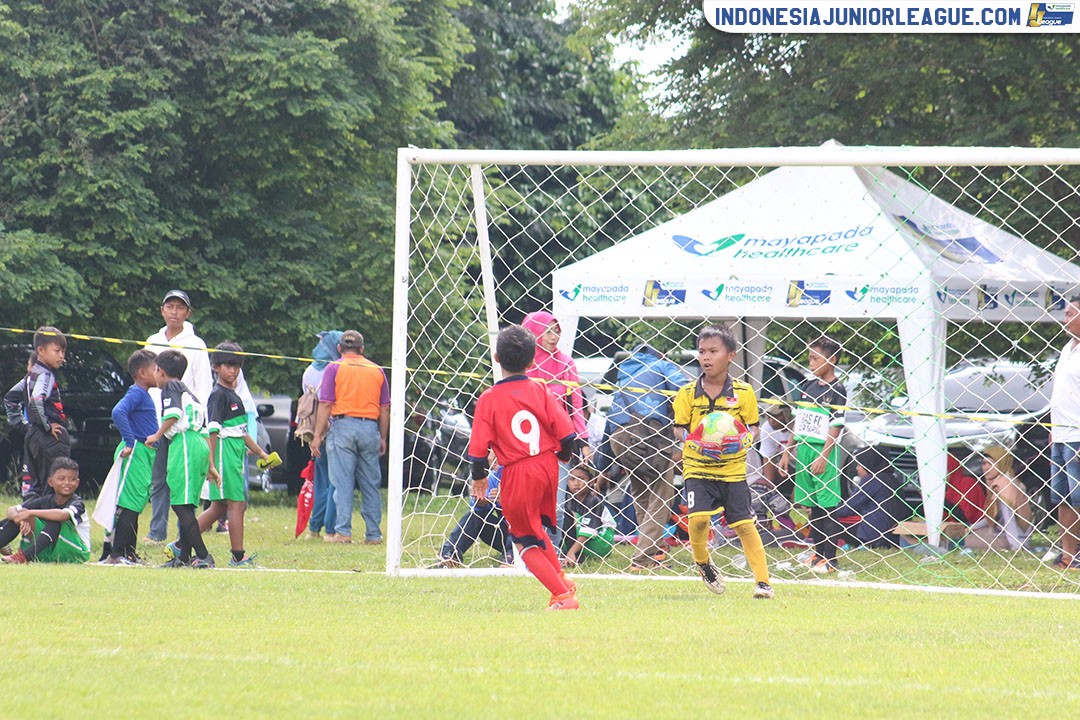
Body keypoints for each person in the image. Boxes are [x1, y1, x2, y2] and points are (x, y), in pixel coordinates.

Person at [467, 324, 580, 610]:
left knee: (523, 540)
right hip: (547, 465)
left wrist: (479, 478)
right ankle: (563, 582)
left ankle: (563, 598)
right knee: (537, 530)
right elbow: (568, 433)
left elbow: (478, 450)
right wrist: (563, 456)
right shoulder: (541, 389)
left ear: (496, 357)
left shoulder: (488, 399)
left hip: (518, 470)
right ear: (532, 362)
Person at [673, 324, 773, 599]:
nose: (706, 357)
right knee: (699, 520)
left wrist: (743, 441)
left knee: (743, 524)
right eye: (702, 351)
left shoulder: (743, 393)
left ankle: (763, 582)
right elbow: (679, 429)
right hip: (697, 467)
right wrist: (693, 442)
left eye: (713, 351)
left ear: (731, 355)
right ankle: (703, 563)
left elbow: (753, 427)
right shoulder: (686, 394)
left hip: (732, 470)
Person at [176, 342, 274, 567]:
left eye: (236, 366)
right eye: (227, 365)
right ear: (215, 367)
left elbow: (241, 431)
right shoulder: (218, 396)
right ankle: (238, 557)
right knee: (237, 504)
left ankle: (180, 544)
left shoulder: (234, 395)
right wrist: (210, 463)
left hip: (234, 455)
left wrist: (260, 452)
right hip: (222, 455)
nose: (232, 370)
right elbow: (212, 431)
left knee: (219, 506)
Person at [595, 343, 687, 571]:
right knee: (662, 496)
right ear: (659, 353)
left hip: (620, 439)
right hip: (650, 436)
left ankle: (653, 547)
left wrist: (603, 465)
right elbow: (685, 389)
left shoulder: (623, 375)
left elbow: (610, 422)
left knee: (641, 493)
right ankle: (642, 558)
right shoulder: (662, 365)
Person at [144, 290, 213, 543]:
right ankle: (156, 531)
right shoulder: (153, 341)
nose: (174, 311)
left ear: (187, 313)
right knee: (159, 477)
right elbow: (147, 379)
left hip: (184, 424)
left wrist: (202, 420)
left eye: (179, 307)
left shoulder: (196, 344)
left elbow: (203, 386)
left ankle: (183, 535)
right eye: (170, 306)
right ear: (162, 310)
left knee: (183, 480)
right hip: (157, 419)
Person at [310, 330, 389, 545]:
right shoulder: (377, 370)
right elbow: (384, 408)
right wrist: (382, 437)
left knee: (342, 483)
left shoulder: (333, 368)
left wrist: (317, 436)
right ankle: (373, 534)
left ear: (339, 349)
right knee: (370, 484)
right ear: (362, 349)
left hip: (342, 427)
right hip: (370, 428)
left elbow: (326, 404)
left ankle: (343, 532)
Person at [521, 311, 590, 549]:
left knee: (556, 506)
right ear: (533, 333)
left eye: (557, 331)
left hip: (558, 446)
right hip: (526, 445)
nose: (554, 336)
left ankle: (552, 555)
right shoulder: (524, 363)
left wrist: (583, 441)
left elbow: (576, 407)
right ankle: (518, 554)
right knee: (523, 504)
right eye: (548, 331)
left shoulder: (566, 364)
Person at [780, 336, 847, 574]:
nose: (810, 363)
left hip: (821, 451)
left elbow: (836, 426)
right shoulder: (807, 387)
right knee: (813, 507)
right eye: (809, 358)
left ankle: (830, 558)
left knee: (827, 506)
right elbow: (798, 421)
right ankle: (817, 554)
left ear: (831, 360)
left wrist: (824, 456)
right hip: (804, 450)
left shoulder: (837, 390)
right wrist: (788, 451)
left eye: (815, 358)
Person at [147, 350, 213, 568]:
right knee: (187, 504)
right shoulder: (189, 392)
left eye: (154, 369)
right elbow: (203, 428)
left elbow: (173, 414)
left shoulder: (170, 388)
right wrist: (210, 465)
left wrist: (157, 435)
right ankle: (183, 557)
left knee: (180, 504)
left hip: (184, 443)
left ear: (161, 371)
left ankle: (203, 555)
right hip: (198, 444)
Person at [103, 349, 160, 564]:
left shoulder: (143, 394)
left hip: (144, 453)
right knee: (128, 503)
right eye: (156, 369)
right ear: (143, 373)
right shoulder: (136, 392)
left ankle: (129, 553)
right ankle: (116, 553)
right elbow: (118, 412)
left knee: (136, 502)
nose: (159, 373)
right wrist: (129, 441)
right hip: (134, 452)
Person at [0, 457, 90, 564]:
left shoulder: (77, 503)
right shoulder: (45, 499)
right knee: (21, 515)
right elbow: (12, 510)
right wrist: (19, 519)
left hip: (75, 551)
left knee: (54, 520)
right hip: (48, 551)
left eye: (72, 479)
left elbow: (62, 515)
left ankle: (22, 557)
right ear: (51, 482)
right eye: (61, 478)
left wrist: (30, 512)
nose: (67, 482)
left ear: (78, 482)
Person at [298, 330, 342, 541]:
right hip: (332, 429)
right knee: (335, 483)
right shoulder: (335, 370)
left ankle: (314, 528)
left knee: (321, 480)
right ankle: (331, 530)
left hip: (314, 430)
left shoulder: (308, 371)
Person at [21, 327, 70, 498]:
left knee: (36, 488)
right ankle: (47, 525)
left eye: (63, 351)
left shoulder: (30, 375)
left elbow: (11, 399)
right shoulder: (46, 375)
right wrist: (47, 427)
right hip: (48, 438)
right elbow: (36, 401)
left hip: (33, 434)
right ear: (40, 351)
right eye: (57, 351)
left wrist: (27, 424)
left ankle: (28, 521)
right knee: (54, 489)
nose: (61, 356)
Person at [1050, 295, 1080, 570]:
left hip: (1078, 435)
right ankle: (1068, 554)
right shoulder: (1066, 348)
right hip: (1060, 434)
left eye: (1071, 314)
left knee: (1079, 495)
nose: (1065, 319)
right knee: (1062, 497)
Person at [436, 464, 514, 568]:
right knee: (477, 515)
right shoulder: (494, 477)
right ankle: (449, 554)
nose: (494, 459)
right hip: (504, 534)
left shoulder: (527, 473)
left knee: (522, 524)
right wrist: (481, 502)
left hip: (533, 535)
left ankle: (511, 557)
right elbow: (477, 511)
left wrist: (510, 500)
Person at [833, 446, 904, 549]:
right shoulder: (893, 479)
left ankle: (810, 537)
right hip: (893, 535)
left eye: (859, 464)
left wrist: (828, 509)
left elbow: (848, 508)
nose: (857, 468)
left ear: (868, 465)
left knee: (827, 518)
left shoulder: (872, 480)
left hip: (871, 535)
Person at [965, 446, 1033, 552]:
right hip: (1002, 533)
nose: (986, 468)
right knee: (970, 533)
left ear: (1001, 464)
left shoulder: (1005, 486)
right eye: (984, 463)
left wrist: (1016, 547)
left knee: (962, 541)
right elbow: (993, 518)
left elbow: (1009, 520)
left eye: (991, 463)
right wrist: (972, 528)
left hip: (1013, 538)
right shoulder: (1001, 481)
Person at [563, 464, 616, 567]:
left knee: (568, 516)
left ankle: (574, 554)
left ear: (591, 482)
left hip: (601, 541)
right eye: (572, 479)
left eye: (581, 479)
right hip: (582, 538)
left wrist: (571, 552)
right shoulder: (568, 500)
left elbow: (589, 530)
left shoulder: (593, 500)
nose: (576, 483)